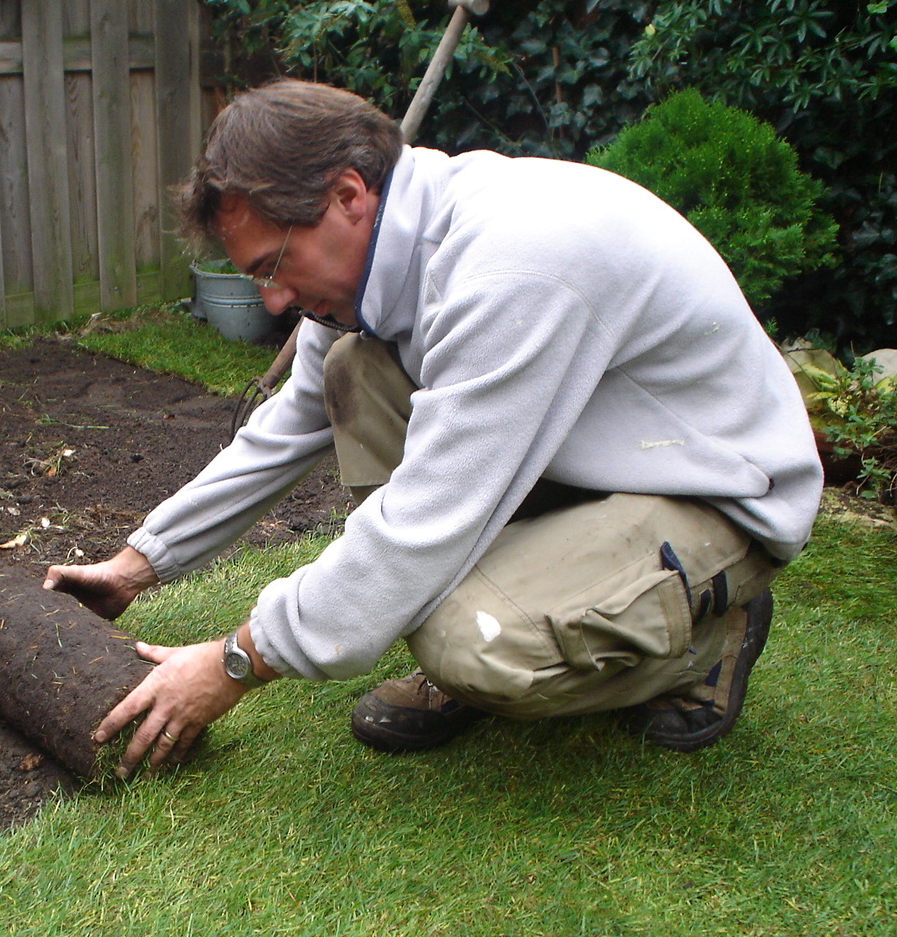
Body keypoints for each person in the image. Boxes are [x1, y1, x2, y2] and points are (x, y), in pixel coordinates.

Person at [43, 80, 823, 779]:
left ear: (349, 194)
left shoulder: (510, 263)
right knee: (350, 371)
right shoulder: (370, 272)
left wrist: (236, 660)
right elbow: (285, 430)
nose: (274, 300)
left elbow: (426, 516)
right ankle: (549, 592)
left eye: (273, 265)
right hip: (585, 459)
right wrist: (138, 563)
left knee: (469, 641)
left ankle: (702, 632)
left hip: (709, 490)